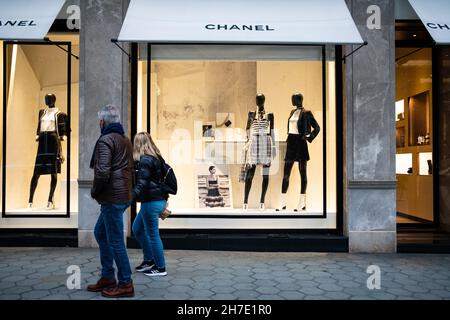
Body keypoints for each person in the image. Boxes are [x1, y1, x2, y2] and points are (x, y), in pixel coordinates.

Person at [87, 105, 135, 298]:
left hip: (112, 198)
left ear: (102, 122)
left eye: (99, 120)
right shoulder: (125, 139)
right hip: (123, 196)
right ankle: (108, 276)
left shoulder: (105, 140)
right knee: (100, 232)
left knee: (115, 241)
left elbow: (102, 171)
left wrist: (94, 190)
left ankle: (125, 283)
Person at [132, 132, 168, 277]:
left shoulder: (145, 160)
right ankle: (149, 260)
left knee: (153, 235)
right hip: (156, 200)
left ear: (138, 144)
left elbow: (142, 183)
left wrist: (130, 197)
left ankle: (160, 267)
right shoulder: (156, 158)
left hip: (151, 203)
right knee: (137, 228)